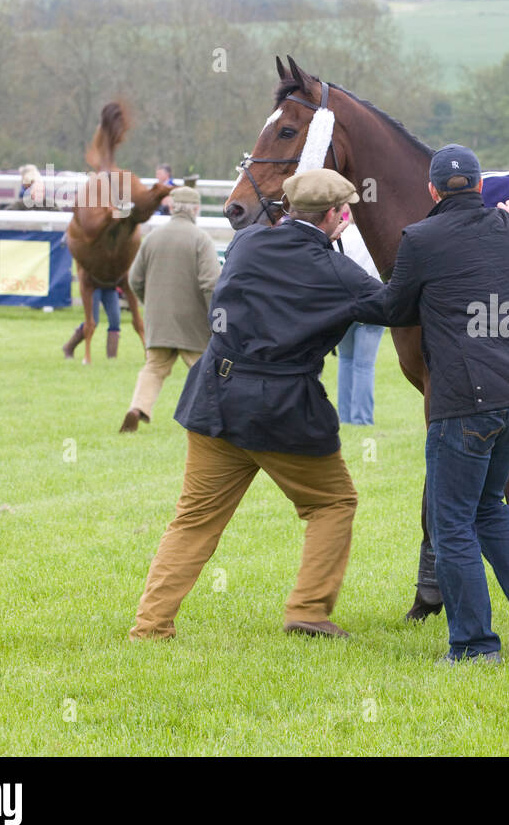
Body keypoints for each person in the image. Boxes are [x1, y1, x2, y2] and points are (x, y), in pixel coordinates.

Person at [129, 168, 392, 642]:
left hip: (215, 397)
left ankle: (150, 626)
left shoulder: (248, 242)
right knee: (333, 502)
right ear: (334, 215)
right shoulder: (337, 270)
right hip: (284, 410)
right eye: (344, 210)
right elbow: (396, 306)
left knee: (193, 520)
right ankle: (308, 610)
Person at [352, 144, 509, 664]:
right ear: (481, 187)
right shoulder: (507, 230)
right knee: (490, 507)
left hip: (465, 401)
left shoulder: (419, 239)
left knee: (452, 524)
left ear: (431, 191)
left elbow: (394, 307)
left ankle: (472, 645)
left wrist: (338, 286)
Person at [120, 186, 221, 433]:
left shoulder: (152, 237)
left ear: (171, 207)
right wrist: (217, 320)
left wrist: (150, 302)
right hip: (194, 323)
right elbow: (212, 283)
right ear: (195, 209)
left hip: (158, 320)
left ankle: (137, 408)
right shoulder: (201, 239)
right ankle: (216, 417)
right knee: (205, 369)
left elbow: (134, 279)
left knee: (154, 367)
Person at [335, 224, 385, 426]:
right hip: (372, 302)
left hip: (344, 304)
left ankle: (346, 416)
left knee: (346, 361)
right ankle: (361, 418)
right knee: (364, 365)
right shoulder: (374, 234)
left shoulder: (342, 234)